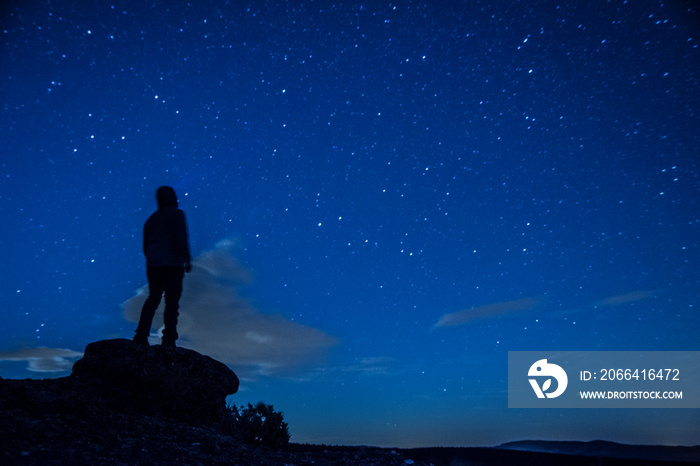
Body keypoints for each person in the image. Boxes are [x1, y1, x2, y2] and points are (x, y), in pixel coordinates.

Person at [133, 186, 192, 347]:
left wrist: (151, 259)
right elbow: (181, 237)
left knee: (153, 298)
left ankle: (141, 335)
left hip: (154, 264)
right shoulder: (177, 214)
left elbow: (145, 246)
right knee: (172, 302)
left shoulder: (151, 220)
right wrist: (187, 258)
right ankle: (169, 339)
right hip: (172, 263)